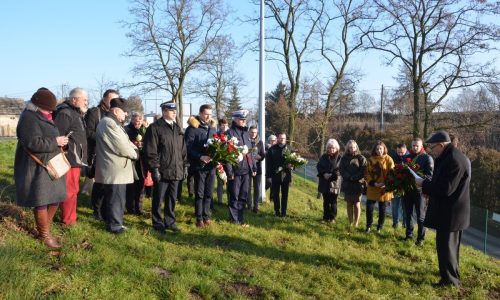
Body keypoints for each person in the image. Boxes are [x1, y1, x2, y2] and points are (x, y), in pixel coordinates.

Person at [14, 88, 69, 249]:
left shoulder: (42, 115)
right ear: (37, 105)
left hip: (50, 165)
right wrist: (56, 141)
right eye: (48, 108)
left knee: (55, 198)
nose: (50, 111)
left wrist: (60, 143)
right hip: (37, 167)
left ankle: (45, 229)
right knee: (42, 201)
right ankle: (44, 236)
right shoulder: (28, 118)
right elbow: (33, 143)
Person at [415, 130, 470, 287]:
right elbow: (441, 184)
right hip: (450, 213)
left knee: (447, 248)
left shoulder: (453, 160)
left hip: (452, 214)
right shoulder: (450, 157)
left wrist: (423, 184)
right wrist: (428, 190)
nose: (432, 151)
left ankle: (450, 282)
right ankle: (450, 275)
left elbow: (445, 189)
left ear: (441, 145)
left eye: (433, 147)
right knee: (449, 248)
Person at [94, 98, 138, 234]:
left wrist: (133, 148)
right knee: (116, 199)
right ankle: (115, 225)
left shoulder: (113, 123)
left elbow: (127, 142)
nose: (126, 115)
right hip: (115, 169)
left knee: (116, 198)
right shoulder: (109, 124)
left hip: (117, 169)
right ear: (116, 111)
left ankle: (113, 222)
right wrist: (135, 153)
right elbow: (122, 146)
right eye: (124, 112)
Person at [144, 101, 187, 233]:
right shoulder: (155, 127)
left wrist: (185, 166)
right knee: (158, 198)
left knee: (172, 198)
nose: (174, 112)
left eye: (175, 110)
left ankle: (170, 221)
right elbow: (151, 150)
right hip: (162, 170)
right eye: (171, 110)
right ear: (164, 112)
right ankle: (157, 222)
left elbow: (183, 150)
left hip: (176, 169)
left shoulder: (177, 128)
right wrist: (155, 169)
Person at [53, 87, 88, 226]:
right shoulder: (65, 113)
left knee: (74, 190)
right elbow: (57, 136)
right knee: (69, 190)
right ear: (74, 99)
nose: (86, 102)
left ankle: (70, 217)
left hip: (75, 159)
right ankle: (68, 221)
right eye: (84, 100)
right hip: (69, 159)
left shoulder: (75, 113)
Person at [85, 89, 120, 220]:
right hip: (97, 154)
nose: (113, 102)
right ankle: (97, 210)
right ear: (104, 99)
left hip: (111, 155)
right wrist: (105, 138)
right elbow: (88, 132)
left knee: (109, 183)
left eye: (116, 100)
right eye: (111, 100)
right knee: (99, 184)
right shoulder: (95, 112)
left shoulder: (116, 114)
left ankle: (107, 209)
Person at [185, 104, 217, 228]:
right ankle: (199, 218)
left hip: (211, 166)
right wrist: (200, 157)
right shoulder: (192, 128)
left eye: (210, 114)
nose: (208, 116)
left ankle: (206, 216)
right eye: (206, 114)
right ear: (200, 113)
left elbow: (216, 144)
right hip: (199, 166)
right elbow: (187, 147)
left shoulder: (212, 128)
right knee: (200, 193)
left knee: (209, 193)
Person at [225, 110, 256, 226]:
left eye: (244, 120)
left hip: (246, 171)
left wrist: (253, 167)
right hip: (235, 171)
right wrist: (229, 171)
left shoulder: (246, 134)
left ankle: (240, 219)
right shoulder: (230, 133)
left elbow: (250, 153)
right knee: (234, 195)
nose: (243, 122)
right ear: (235, 119)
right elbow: (227, 154)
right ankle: (234, 219)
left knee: (243, 195)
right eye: (241, 119)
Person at [403, 138, 433, 246]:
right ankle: (409, 235)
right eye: (413, 145)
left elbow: (429, 176)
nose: (415, 147)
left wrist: (418, 178)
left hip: (420, 192)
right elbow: (401, 173)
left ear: (421, 146)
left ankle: (420, 239)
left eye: (417, 145)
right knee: (408, 214)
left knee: (420, 216)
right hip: (407, 190)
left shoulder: (427, 158)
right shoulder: (406, 158)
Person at [364, 141, 394, 233]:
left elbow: (392, 173)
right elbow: (367, 173)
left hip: (384, 188)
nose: (379, 150)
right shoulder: (371, 160)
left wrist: (386, 183)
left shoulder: (389, 159)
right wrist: (373, 183)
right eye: (377, 149)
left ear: (384, 149)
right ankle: (368, 226)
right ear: (374, 149)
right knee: (369, 208)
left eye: (380, 148)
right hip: (373, 187)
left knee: (382, 209)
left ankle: (379, 227)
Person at [339, 140, 367, 228]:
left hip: (358, 184)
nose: (352, 149)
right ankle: (350, 222)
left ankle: (356, 223)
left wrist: (354, 177)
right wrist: (349, 177)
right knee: (349, 203)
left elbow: (363, 170)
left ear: (356, 147)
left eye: (354, 147)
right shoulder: (343, 158)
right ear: (347, 148)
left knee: (357, 203)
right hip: (347, 184)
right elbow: (341, 170)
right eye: (350, 147)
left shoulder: (361, 158)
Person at [125, 112, 147, 216]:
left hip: (142, 162)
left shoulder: (144, 130)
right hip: (131, 162)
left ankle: (139, 208)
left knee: (141, 185)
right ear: (132, 119)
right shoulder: (126, 130)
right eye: (136, 120)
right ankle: (130, 207)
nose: (138, 122)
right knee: (130, 185)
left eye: (140, 120)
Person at [266, 133, 293, 217]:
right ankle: (276, 211)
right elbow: (268, 165)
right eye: (280, 138)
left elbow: (294, 161)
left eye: (284, 138)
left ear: (286, 139)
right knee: (275, 195)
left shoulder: (290, 149)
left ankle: (284, 213)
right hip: (275, 176)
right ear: (277, 138)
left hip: (286, 176)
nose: (282, 140)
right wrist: (269, 177)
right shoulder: (272, 150)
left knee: (285, 195)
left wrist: (292, 166)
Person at [316, 139, 342, 223]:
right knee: (326, 201)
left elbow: (340, 169)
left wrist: (332, 175)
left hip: (335, 182)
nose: (331, 149)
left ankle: (332, 218)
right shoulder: (323, 157)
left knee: (333, 201)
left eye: (333, 148)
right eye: (330, 147)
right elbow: (319, 166)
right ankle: (325, 217)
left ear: (337, 148)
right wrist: (324, 174)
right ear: (327, 148)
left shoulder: (339, 158)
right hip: (324, 181)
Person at [390, 143, 410, 229]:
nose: (400, 154)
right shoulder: (393, 157)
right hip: (395, 185)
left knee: (405, 207)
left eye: (402, 152)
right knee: (395, 205)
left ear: (406, 150)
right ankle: (395, 223)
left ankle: (405, 224)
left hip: (406, 186)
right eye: (398, 152)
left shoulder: (410, 157)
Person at [248, 125, 266, 213]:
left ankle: (256, 207)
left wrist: (256, 157)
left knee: (257, 188)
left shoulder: (260, 142)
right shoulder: (246, 141)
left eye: (255, 132)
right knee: (247, 188)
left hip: (257, 168)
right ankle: (248, 206)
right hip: (247, 167)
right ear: (249, 132)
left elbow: (263, 155)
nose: (253, 134)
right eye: (251, 132)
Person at [216, 118, 230, 205]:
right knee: (220, 181)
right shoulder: (217, 134)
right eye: (222, 125)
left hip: (229, 160)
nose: (224, 126)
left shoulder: (231, 134)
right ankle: (220, 201)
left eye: (226, 124)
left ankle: (230, 200)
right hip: (220, 161)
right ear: (220, 126)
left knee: (229, 181)